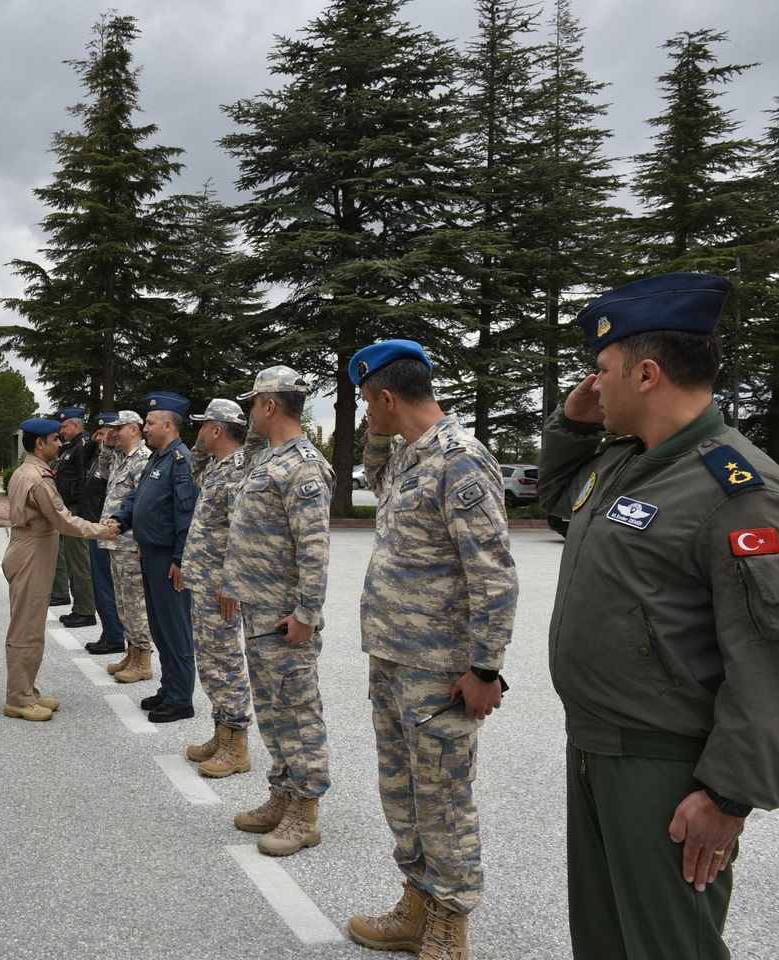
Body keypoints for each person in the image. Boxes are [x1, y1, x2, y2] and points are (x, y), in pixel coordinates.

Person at [536, 272, 779, 960]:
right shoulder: (622, 463)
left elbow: (765, 660)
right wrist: (574, 421)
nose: (594, 384)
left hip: (665, 768)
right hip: (595, 746)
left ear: (645, 374)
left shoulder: (735, 487)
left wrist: (727, 797)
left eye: (601, 371)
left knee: (670, 949)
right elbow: (555, 496)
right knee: (606, 942)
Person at [345, 340, 518, 959]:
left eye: (368, 402)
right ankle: (416, 901)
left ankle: (449, 920)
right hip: (391, 658)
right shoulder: (407, 459)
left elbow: (493, 575)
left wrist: (484, 668)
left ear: (388, 397)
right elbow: (372, 475)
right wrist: (376, 436)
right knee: (402, 791)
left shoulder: (460, 460)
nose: (367, 413)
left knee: (443, 797)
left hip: (440, 670)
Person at [221, 365, 331, 857]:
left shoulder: (302, 465)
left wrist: (307, 613)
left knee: (298, 712)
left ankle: (305, 811)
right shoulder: (269, 459)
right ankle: (282, 794)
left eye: (252, 403)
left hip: (286, 619)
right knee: (271, 711)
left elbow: (314, 548)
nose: (248, 413)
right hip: (259, 612)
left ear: (268, 405)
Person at [2, 417, 114, 721]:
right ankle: (18, 698)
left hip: (29, 550)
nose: (60, 443)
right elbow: (64, 520)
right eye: (55, 439)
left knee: (32, 626)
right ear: (40, 443)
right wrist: (103, 530)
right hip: (31, 554)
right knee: (26, 629)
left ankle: (28, 691)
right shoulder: (37, 479)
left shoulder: (27, 471)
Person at [111, 392, 199, 723]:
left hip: (167, 560)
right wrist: (121, 519)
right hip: (149, 555)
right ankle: (169, 687)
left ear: (167, 424)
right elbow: (138, 497)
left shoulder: (180, 461)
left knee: (175, 629)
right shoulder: (158, 458)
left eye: (148, 423)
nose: (144, 428)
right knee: (160, 629)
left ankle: (181, 698)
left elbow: (186, 515)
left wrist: (180, 559)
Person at [180, 398, 254, 778]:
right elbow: (194, 465)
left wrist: (232, 581)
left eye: (203, 426)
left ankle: (237, 745)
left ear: (217, 430)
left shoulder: (238, 470)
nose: (198, 433)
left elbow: (240, 533)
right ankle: (220, 733)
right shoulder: (214, 466)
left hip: (220, 586)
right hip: (204, 580)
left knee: (225, 662)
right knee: (209, 660)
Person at [99, 411, 155, 683]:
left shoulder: (143, 459)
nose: (114, 432)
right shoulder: (121, 458)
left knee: (135, 604)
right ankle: (132, 653)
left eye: (119, 428)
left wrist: (141, 542)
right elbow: (105, 476)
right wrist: (107, 446)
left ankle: (143, 659)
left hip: (130, 543)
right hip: (115, 542)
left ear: (134, 429)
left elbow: (143, 504)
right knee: (122, 603)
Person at [83, 411, 127, 656]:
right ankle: (109, 633)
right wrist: (106, 446)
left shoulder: (130, 459)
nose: (109, 433)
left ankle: (114, 635)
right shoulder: (111, 456)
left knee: (108, 588)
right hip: (98, 529)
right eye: (104, 430)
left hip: (112, 532)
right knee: (102, 587)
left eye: (114, 429)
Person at [50, 407, 96, 624]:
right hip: (69, 509)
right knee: (71, 562)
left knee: (79, 562)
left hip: (77, 510)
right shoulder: (72, 447)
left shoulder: (84, 447)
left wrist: (83, 514)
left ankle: (86, 610)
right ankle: (79, 606)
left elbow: (84, 480)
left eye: (65, 426)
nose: (61, 430)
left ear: (76, 425)